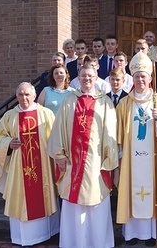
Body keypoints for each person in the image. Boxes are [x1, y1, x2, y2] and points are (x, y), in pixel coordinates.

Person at [47, 64, 118, 247]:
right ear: (78, 78)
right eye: (84, 76)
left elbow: (111, 133)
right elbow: (59, 128)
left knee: (96, 200)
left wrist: (109, 161)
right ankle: (74, 243)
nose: (87, 79)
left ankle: (99, 243)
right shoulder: (70, 100)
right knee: (74, 203)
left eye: (90, 76)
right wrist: (59, 155)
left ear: (96, 78)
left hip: (96, 163)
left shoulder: (105, 102)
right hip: (72, 162)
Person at [116, 52, 157, 247]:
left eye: (144, 76)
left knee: (152, 192)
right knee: (132, 192)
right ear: (132, 79)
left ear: (150, 78)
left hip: (154, 159)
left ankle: (153, 233)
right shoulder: (124, 104)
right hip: (131, 160)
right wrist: (119, 154)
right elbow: (116, 132)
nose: (140, 79)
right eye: (137, 77)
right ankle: (132, 233)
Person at [0, 82, 59, 246]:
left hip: (43, 166)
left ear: (34, 95)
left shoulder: (45, 114)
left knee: (43, 196)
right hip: (19, 169)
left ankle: (45, 234)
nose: (24, 98)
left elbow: (56, 138)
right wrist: (8, 143)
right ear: (16, 96)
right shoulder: (10, 115)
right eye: (21, 95)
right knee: (21, 198)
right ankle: (24, 237)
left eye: (27, 94)